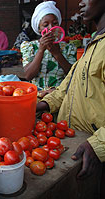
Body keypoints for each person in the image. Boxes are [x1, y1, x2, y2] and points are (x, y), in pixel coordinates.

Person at [36, 0, 105, 182]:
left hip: (92, 151)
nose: (80, 3)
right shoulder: (95, 43)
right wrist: (42, 104)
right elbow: (68, 86)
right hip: (70, 139)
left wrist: (98, 145)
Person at [20, 1, 77, 89]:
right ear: (39, 29)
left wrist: (56, 53)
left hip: (59, 95)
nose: (51, 28)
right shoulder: (30, 47)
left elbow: (73, 74)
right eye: (46, 25)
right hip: (37, 95)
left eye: (54, 23)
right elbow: (28, 75)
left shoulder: (68, 48)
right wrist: (40, 50)